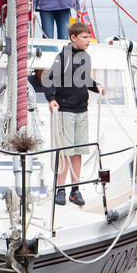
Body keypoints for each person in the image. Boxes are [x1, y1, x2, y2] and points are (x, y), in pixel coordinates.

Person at [42, 21, 104, 207]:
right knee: (65, 152)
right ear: (73, 38)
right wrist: (51, 99)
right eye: (85, 37)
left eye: (89, 37)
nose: (88, 40)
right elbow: (49, 79)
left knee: (78, 152)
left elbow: (84, 80)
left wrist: (96, 86)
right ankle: (60, 189)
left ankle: (75, 190)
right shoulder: (64, 57)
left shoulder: (85, 57)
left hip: (81, 109)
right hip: (66, 110)